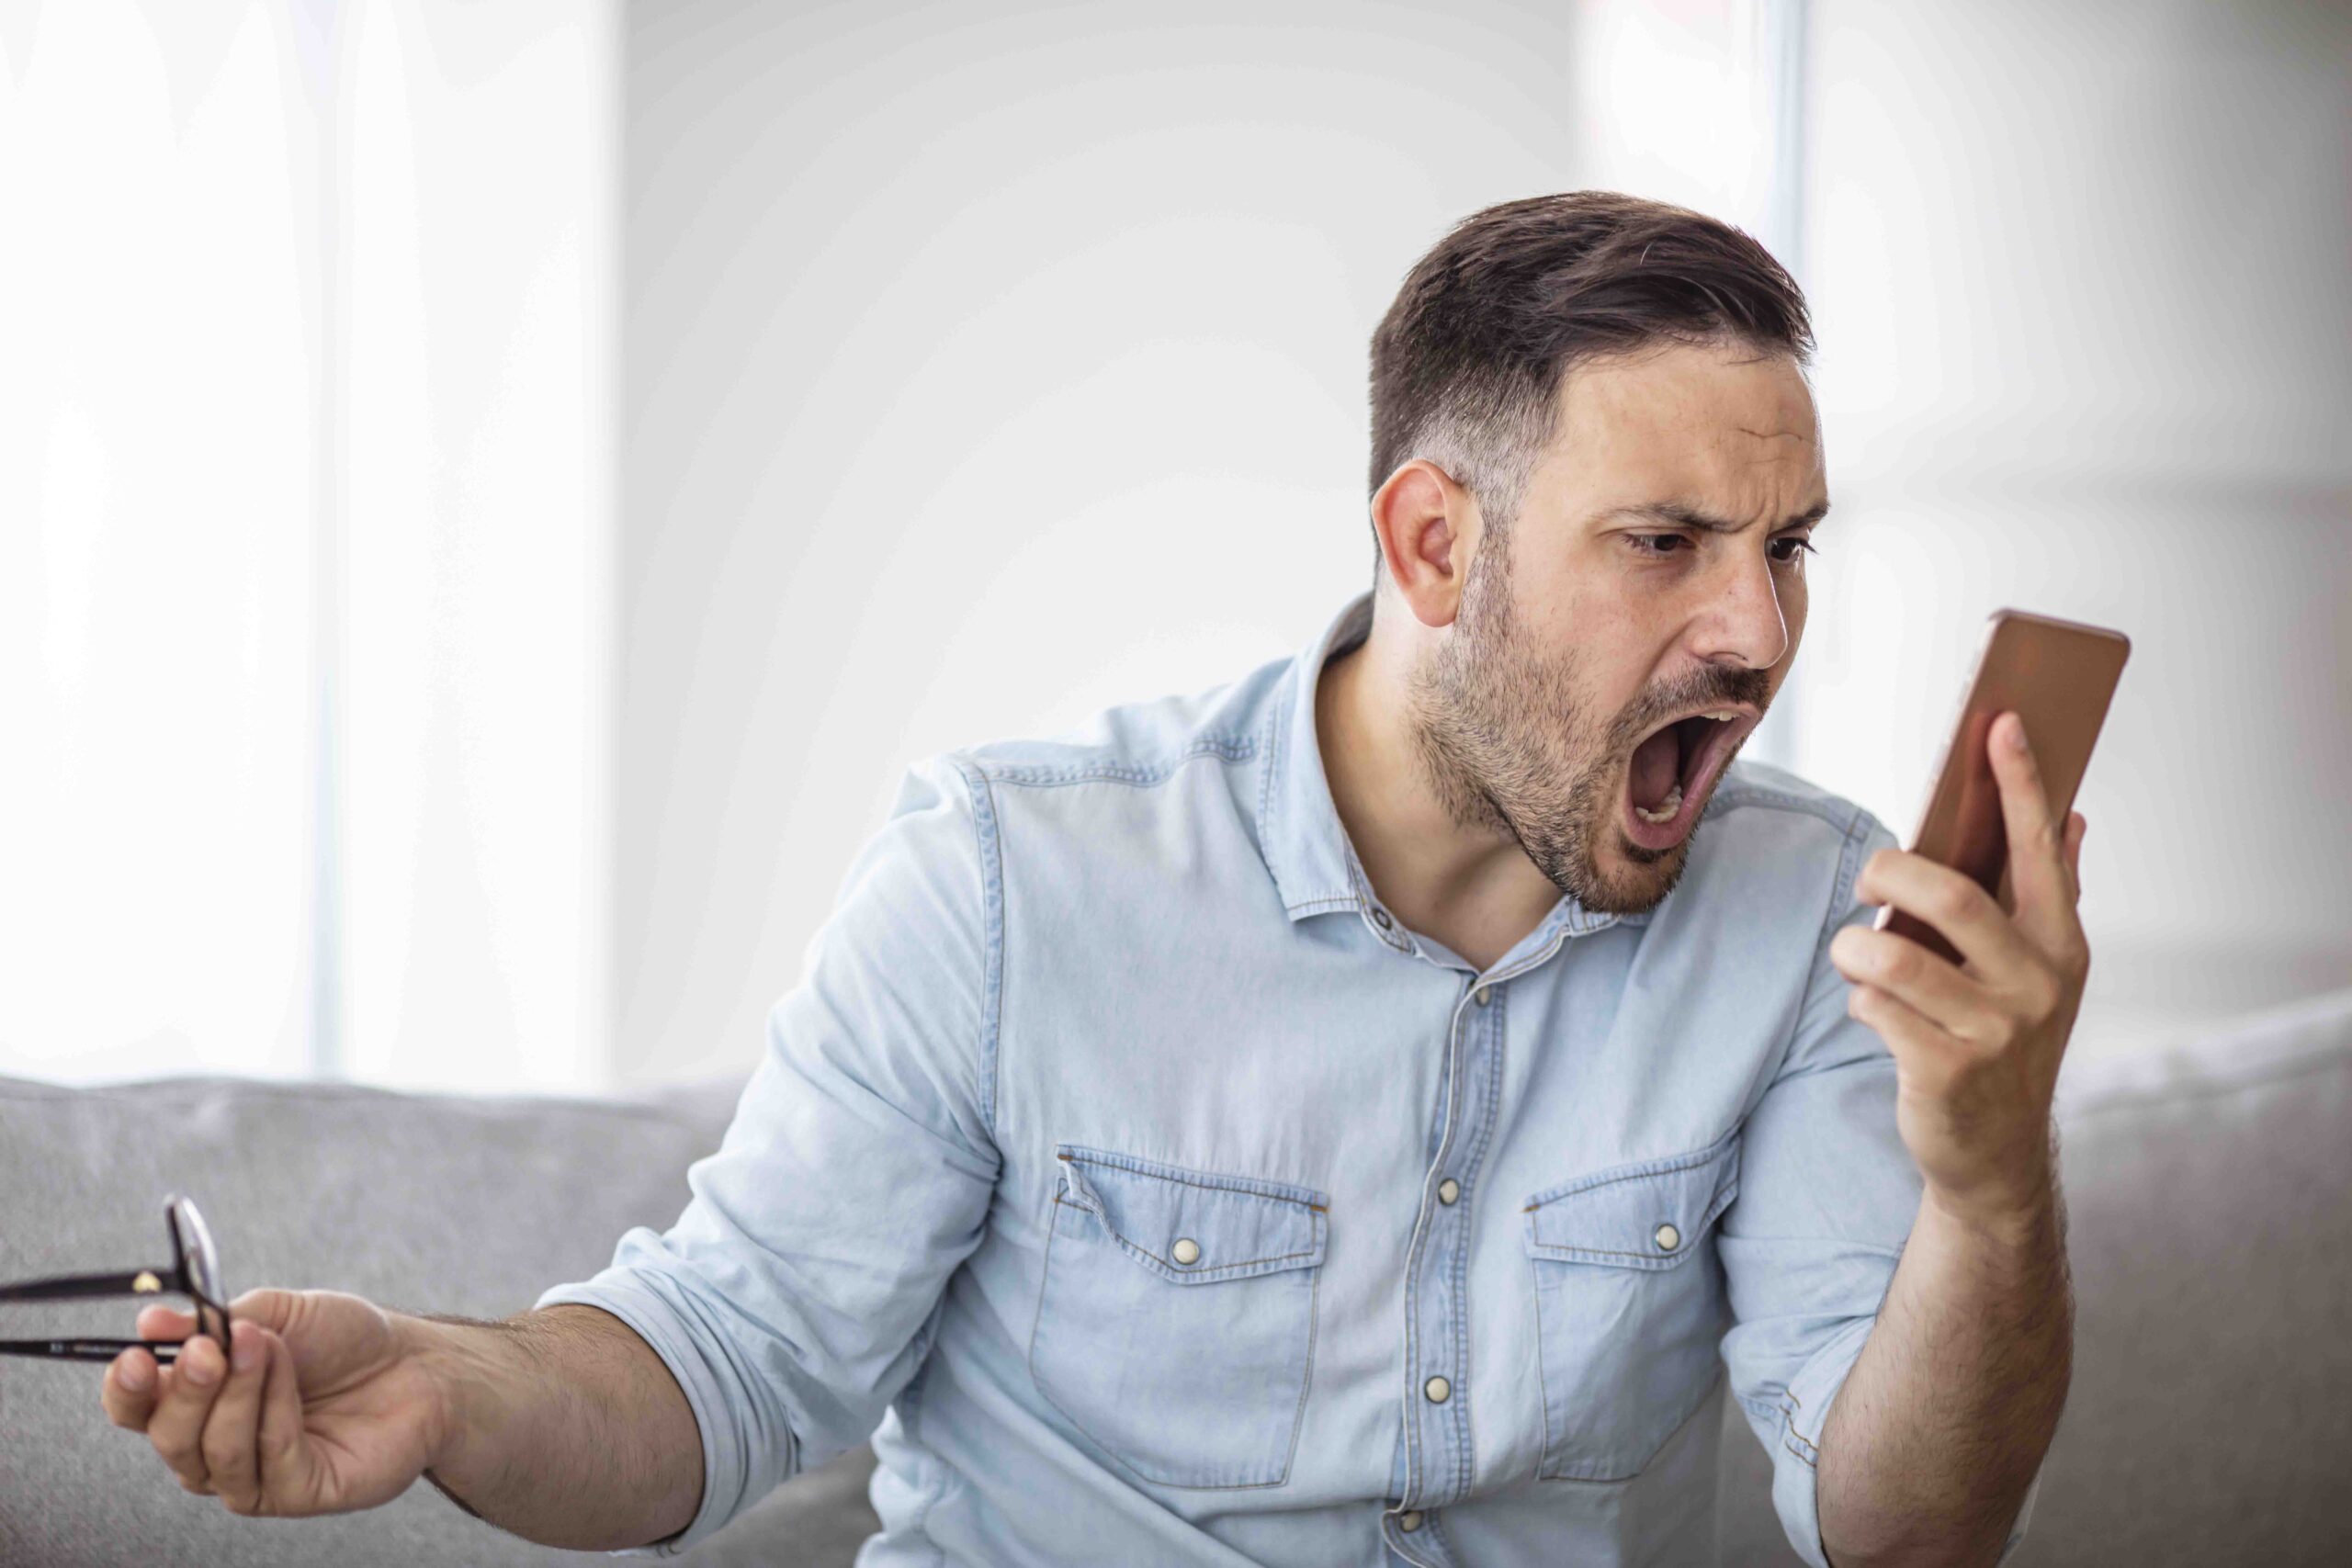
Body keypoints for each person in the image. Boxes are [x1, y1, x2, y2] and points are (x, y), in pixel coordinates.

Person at [102, 190, 2087, 1567]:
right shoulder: (1007, 876)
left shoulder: (1817, 920)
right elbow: (725, 1364)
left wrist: (1992, 1175)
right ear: (1429, 547)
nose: (1756, 630)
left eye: (1788, 544)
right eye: (1664, 540)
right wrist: (445, 1384)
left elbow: (1900, 1524)